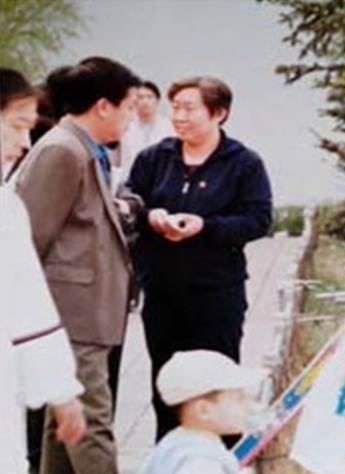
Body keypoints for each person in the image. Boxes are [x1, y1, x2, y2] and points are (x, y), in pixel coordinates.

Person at [127, 76, 272, 440]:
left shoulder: (243, 163)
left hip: (216, 292)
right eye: (175, 108)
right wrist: (152, 216)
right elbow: (130, 202)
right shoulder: (155, 158)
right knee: (167, 382)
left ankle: (220, 456)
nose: (179, 117)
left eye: (189, 109)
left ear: (219, 113)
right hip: (162, 291)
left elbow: (257, 219)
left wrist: (205, 226)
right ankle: (169, 453)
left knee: (216, 382)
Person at [16, 57, 140, 474]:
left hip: (86, 315)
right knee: (91, 425)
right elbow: (27, 239)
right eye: (128, 107)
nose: (131, 118)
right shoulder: (62, 150)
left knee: (67, 425)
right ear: (103, 106)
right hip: (71, 315)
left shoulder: (85, 149)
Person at [0, 68, 86, 474]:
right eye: (17, 126)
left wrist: (61, 389)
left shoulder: (6, 208)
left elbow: (26, 300)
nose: (24, 143)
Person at [142, 350, 264, 474]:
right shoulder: (202, 460)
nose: (247, 404)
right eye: (239, 398)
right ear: (204, 410)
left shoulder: (175, 442)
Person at [118, 80, 174, 181]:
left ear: (157, 100)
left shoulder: (169, 126)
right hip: (130, 178)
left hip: (160, 179)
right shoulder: (125, 125)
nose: (145, 101)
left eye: (149, 97)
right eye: (140, 97)